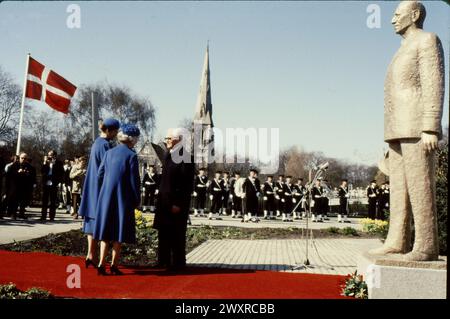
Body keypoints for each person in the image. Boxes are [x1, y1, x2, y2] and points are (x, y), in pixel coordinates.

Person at [371, 1, 444, 261]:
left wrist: (430, 127)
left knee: (420, 185)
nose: (392, 19)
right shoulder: (401, 49)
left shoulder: (427, 40)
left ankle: (425, 244)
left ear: (414, 15)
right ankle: (397, 240)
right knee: (399, 188)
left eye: (397, 14)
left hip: (415, 126)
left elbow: (433, 82)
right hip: (397, 127)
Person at [94, 124, 141, 275]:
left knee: (106, 230)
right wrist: (136, 199)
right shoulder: (131, 155)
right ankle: (114, 265)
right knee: (118, 231)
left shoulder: (109, 153)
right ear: (132, 139)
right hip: (123, 197)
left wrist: (105, 189)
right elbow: (134, 181)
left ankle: (101, 263)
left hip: (106, 197)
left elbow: (100, 174)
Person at [78, 118, 120, 269]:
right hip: (100, 187)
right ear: (109, 130)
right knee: (99, 220)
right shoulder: (106, 146)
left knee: (91, 219)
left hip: (91, 186)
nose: (116, 134)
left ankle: (90, 253)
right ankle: (95, 256)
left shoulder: (96, 142)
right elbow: (107, 168)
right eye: (115, 131)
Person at [153, 128, 194, 271]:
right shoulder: (168, 155)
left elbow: (185, 184)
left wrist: (178, 203)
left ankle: (178, 263)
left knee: (176, 234)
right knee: (163, 233)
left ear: (178, 140)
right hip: (165, 202)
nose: (166, 141)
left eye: (169, 138)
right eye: (167, 138)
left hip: (176, 203)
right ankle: (163, 261)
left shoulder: (185, 156)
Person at [6, 153, 35, 220]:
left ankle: (22, 214)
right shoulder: (14, 165)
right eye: (22, 158)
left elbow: (32, 176)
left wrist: (27, 173)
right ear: (19, 158)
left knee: (23, 201)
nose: (23, 159)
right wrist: (18, 172)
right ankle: (13, 214)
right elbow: (9, 175)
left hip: (24, 186)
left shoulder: (29, 166)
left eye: (25, 158)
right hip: (16, 186)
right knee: (14, 201)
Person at [40, 150, 64, 221]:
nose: (49, 156)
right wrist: (44, 163)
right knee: (44, 200)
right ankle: (43, 216)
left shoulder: (59, 163)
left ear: (54, 156)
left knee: (53, 201)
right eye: (49, 155)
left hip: (54, 183)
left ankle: (51, 216)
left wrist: (53, 164)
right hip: (46, 183)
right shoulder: (46, 163)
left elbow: (61, 173)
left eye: (51, 155)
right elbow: (42, 171)